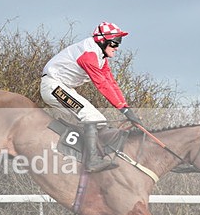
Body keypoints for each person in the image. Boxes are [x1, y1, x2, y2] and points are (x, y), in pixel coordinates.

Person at [40, 21, 144, 172]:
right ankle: (91, 161)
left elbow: (111, 83)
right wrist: (125, 111)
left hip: (62, 86)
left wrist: (127, 108)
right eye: (115, 43)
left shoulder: (101, 56)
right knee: (91, 118)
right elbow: (102, 85)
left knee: (99, 121)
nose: (117, 47)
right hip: (53, 86)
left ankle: (90, 155)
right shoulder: (89, 55)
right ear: (102, 41)